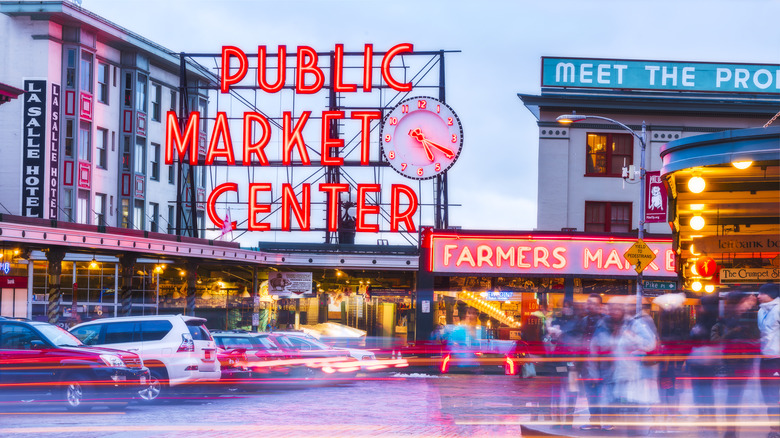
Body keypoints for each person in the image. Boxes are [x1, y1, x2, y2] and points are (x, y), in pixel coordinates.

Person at [711, 291, 760, 438]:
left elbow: (755, 339)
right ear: (737, 302)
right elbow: (717, 341)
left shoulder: (747, 318)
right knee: (733, 397)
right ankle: (731, 430)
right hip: (732, 363)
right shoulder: (724, 321)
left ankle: (731, 429)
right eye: (745, 301)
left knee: (735, 397)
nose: (748, 305)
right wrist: (733, 333)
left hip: (745, 363)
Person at [588, 297, 627, 432]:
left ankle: (611, 421)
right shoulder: (602, 325)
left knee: (612, 396)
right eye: (612, 308)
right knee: (600, 396)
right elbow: (595, 347)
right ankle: (598, 421)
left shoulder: (627, 324)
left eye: (617, 308)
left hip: (619, 369)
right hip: (604, 368)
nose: (615, 311)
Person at [548, 301, 581, 429]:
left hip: (572, 361)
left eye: (568, 307)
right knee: (556, 390)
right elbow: (552, 340)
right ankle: (556, 420)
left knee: (571, 391)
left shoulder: (578, 323)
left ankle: (568, 420)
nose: (566, 309)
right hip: (559, 361)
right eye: (564, 306)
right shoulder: (558, 321)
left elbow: (577, 340)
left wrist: (562, 334)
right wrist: (552, 336)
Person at [757, 283, 780, 438]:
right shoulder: (761, 311)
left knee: (773, 396)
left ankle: (775, 431)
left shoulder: (778, 309)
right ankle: (773, 428)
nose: (758, 296)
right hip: (765, 359)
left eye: (761, 293)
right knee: (768, 396)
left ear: (770, 294)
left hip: (777, 359)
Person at [579, 294, 605, 431]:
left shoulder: (606, 321)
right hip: (586, 365)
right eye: (589, 303)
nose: (591, 306)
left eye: (595, 304)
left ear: (600, 306)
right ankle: (594, 420)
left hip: (601, 366)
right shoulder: (583, 321)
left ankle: (605, 420)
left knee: (602, 393)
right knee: (591, 394)